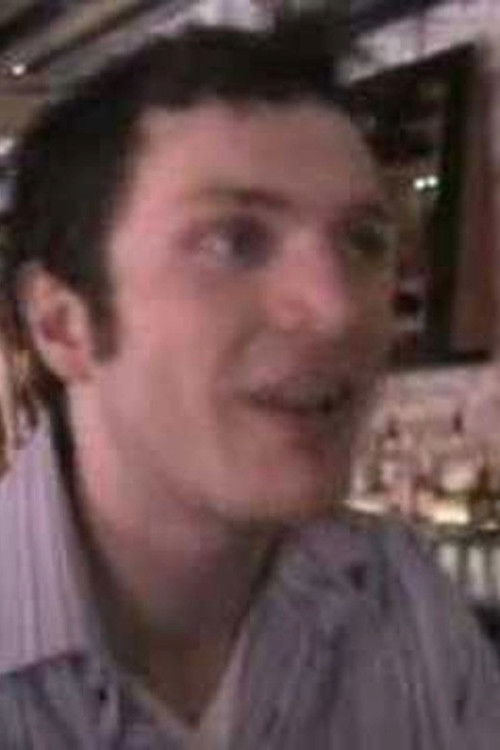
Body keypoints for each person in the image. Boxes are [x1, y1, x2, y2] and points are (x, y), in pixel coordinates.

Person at [0, 11, 499, 749]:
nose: (337, 311)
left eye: (364, 241)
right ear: (62, 326)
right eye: (234, 240)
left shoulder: (402, 597)